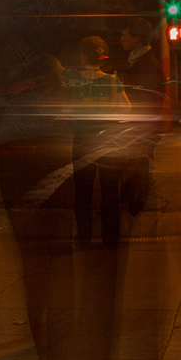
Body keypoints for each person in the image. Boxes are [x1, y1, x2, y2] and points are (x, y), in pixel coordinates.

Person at [62, 36, 131, 248]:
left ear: (83, 56)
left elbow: (58, 74)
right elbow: (127, 108)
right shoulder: (112, 80)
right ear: (102, 57)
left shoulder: (74, 79)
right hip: (107, 140)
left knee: (83, 192)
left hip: (83, 141)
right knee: (109, 190)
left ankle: (83, 238)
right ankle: (110, 239)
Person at [117, 17, 166, 212]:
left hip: (141, 129)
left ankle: (137, 207)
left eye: (124, 35)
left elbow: (147, 102)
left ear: (136, 38)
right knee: (137, 167)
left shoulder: (147, 66)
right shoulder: (136, 62)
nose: (121, 39)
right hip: (139, 128)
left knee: (138, 169)